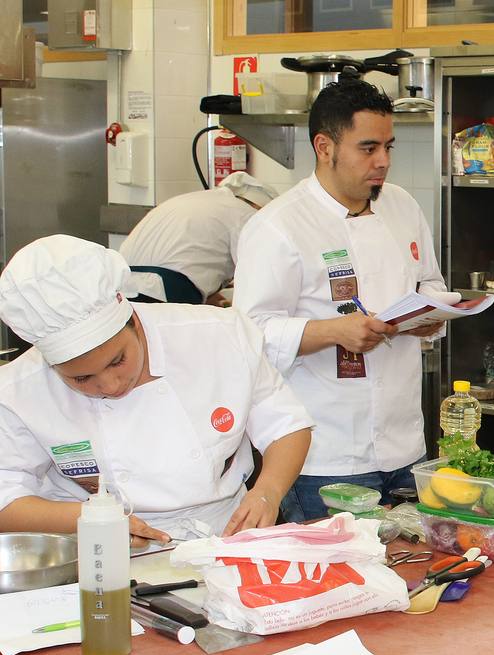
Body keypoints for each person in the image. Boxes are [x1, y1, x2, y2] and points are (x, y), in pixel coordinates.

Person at [0, 235, 313, 543]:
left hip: (224, 536)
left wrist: (267, 493)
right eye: (81, 379)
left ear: (134, 320)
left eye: (117, 361)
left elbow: (285, 426)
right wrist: (91, 520)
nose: (109, 385)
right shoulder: (18, 389)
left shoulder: (217, 336)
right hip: (94, 551)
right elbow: (6, 497)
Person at [235, 78, 446, 521]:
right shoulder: (279, 226)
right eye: (368, 148)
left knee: (409, 576)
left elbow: (429, 282)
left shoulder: (402, 207)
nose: (383, 162)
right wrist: (336, 331)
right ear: (324, 146)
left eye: (389, 146)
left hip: (404, 445)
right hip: (323, 456)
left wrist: (431, 312)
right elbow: (249, 333)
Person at [120, 172, 277, 305]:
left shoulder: (197, 199)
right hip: (165, 288)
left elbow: (193, 256)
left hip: (121, 285)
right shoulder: (246, 214)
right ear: (258, 206)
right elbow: (255, 277)